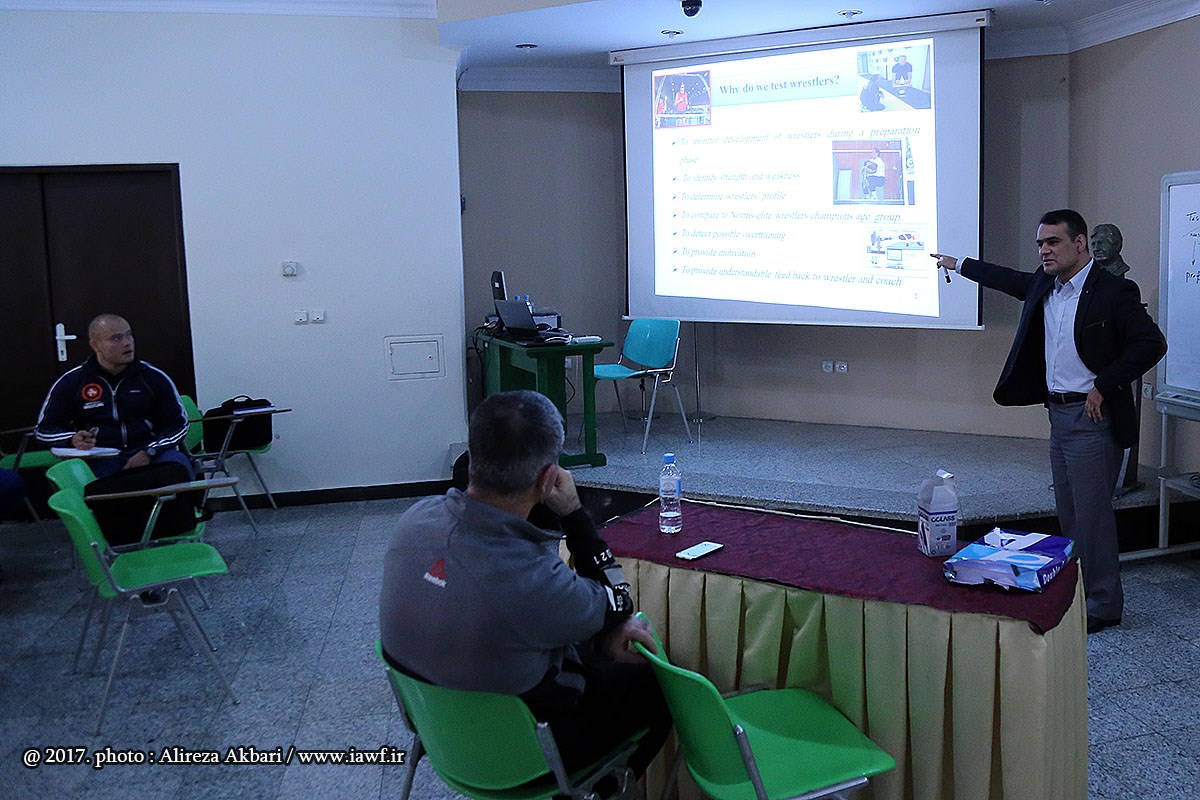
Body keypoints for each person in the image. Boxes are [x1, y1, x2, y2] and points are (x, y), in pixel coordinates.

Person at [379, 390, 671, 776]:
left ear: (473, 454)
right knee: (657, 688)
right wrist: (573, 513)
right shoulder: (536, 582)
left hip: (439, 736)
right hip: (524, 757)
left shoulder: (412, 522)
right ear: (548, 478)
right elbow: (619, 600)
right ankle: (600, 787)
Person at [932, 210, 1166, 634]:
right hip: (1058, 413)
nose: (1044, 250)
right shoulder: (1045, 285)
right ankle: (1077, 592)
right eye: (1040, 243)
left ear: (1080, 243)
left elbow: (1151, 343)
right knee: (1070, 514)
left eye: (1053, 242)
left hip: (1092, 416)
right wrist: (958, 264)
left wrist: (1105, 384)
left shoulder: (1114, 290)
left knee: (1093, 517)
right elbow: (1006, 278)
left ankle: (1104, 605)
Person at [35, 313, 193, 479]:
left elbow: (178, 425)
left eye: (129, 335)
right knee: (86, 480)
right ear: (95, 345)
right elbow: (44, 430)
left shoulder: (153, 377)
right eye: (116, 338)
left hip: (152, 452)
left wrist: (150, 451)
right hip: (101, 457)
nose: (127, 343)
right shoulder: (72, 381)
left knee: (179, 468)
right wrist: (72, 439)